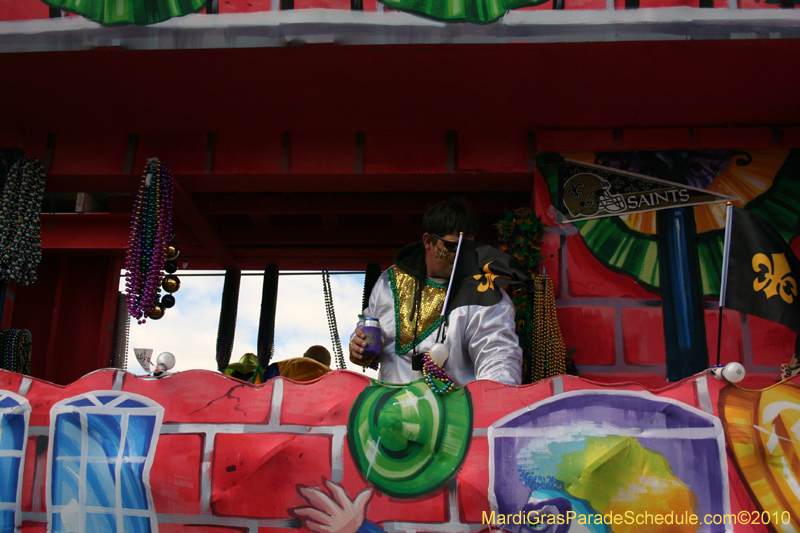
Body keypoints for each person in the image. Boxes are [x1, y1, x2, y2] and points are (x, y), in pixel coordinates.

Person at [349, 199, 522, 385]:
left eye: (467, 247)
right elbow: (371, 325)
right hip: (390, 410)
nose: (461, 255)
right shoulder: (389, 282)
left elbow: (499, 355)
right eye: (452, 246)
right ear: (428, 241)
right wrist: (359, 345)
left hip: (455, 412)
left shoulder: (485, 294)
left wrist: (496, 401)